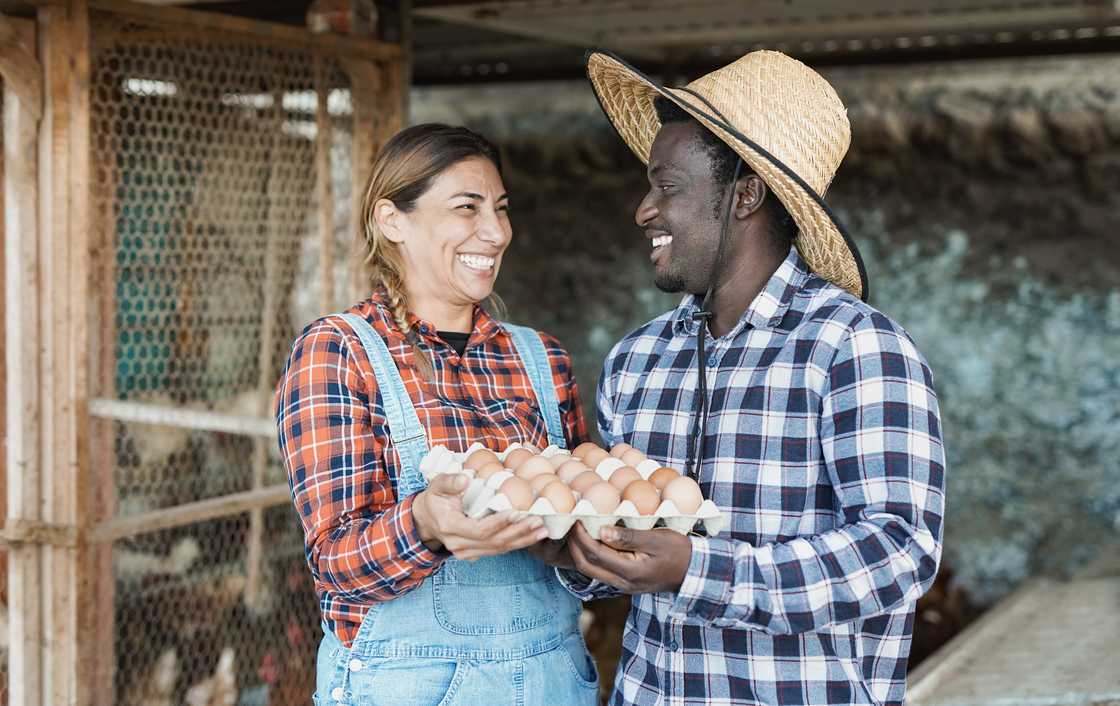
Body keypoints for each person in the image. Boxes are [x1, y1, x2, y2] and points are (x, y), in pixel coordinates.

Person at [532, 50, 947, 706]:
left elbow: (898, 553)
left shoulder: (854, 349)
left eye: (667, 185)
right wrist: (584, 557)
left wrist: (698, 569)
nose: (644, 210)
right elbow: (630, 567)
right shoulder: (636, 361)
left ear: (744, 194)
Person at [275, 123, 599, 706]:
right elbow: (334, 565)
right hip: (407, 685)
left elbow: (581, 555)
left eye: (501, 209)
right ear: (392, 220)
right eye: (466, 208)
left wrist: (584, 548)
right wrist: (425, 524)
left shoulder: (542, 358)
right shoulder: (340, 351)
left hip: (553, 678)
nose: (496, 232)